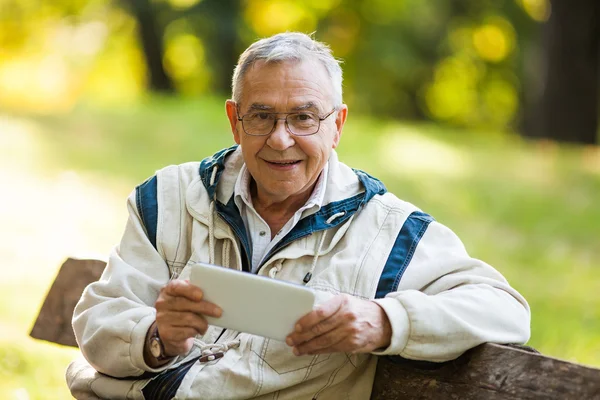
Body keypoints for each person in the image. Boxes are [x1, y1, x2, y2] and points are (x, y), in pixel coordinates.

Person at [66, 32, 530, 400]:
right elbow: (99, 316)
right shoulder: (168, 196)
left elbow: (505, 311)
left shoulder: (390, 233)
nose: (281, 139)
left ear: (337, 125)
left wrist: (385, 321)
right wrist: (156, 336)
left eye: (304, 118)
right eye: (261, 116)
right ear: (235, 120)